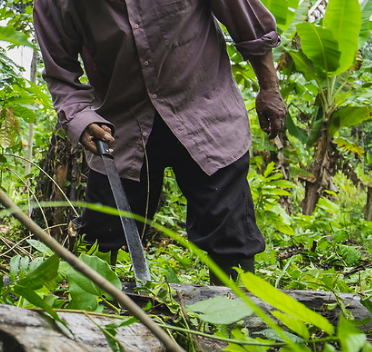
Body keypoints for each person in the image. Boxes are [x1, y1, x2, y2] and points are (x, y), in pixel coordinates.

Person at [33, 0, 287, 284]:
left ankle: (237, 316)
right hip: (121, 127)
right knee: (102, 238)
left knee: (230, 236)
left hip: (206, 114)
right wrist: (80, 119)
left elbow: (248, 22)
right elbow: (60, 73)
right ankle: (99, 315)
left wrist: (269, 88)